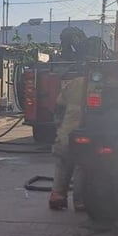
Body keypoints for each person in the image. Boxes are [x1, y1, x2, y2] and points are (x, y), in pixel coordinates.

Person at [49, 69, 86, 211]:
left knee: (63, 162)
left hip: (67, 133)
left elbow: (58, 108)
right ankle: (80, 201)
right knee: (82, 167)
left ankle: (57, 196)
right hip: (85, 134)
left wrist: (60, 129)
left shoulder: (73, 84)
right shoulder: (101, 84)